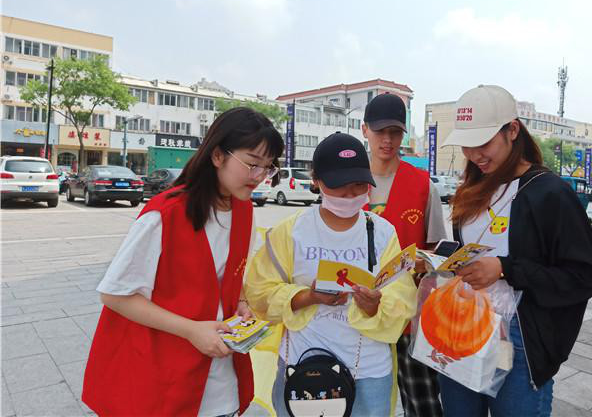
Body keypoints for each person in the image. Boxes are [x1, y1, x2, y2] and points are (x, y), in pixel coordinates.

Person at [82, 108, 284, 417]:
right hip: (164, 377)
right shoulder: (165, 214)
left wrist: (242, 302)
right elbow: (115, 295)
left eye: (268, 167)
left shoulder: (243, 210)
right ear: (218, 155)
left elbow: (228, 276)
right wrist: (191, 330)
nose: (259, 176)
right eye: (252, 164)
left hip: (221, 378)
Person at [440, 84, 592, 417]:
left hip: (519, 341)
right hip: (461, 329)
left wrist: (505, 268)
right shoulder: (471, 190)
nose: (475, 155)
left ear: (512, 130)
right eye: (467, 145)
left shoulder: (549, 193)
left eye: (484, 143)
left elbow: (584, 277)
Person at [244, 132, 417, 417]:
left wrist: (374, 306)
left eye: (359, 185)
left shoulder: (383, 232)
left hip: (368, 372)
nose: (350, 195)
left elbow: (402, 296)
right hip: (303, 368)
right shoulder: (292, 231)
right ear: (316, 181)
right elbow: (258, 293)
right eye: (339, 186)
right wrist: (307, 297)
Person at [361, 92, 448, 417]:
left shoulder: (423, 185)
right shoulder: (348, 181)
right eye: (379, 131)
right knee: (362, 400)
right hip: (359, 312)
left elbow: (437, 251)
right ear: (364, 130)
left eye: (395, 132)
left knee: (423, 402)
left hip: (410, 315)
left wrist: (427, 262)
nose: (387, 140)